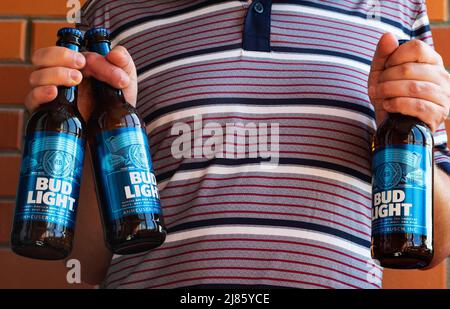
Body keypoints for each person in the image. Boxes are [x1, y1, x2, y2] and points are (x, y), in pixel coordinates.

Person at [25, 0, 450, 288]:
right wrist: (72, 140)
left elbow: (438, 247)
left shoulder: (396, 6)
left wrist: (399, 132)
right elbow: (85, 260)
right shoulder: (111, 11)